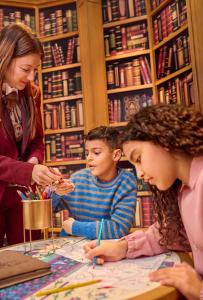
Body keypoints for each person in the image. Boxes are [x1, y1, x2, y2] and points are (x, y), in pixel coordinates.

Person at [84, 105, 203, 300]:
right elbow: (169, 233)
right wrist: (123, 247)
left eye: (139, 158)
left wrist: (198, 289)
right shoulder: (184, 189)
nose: (139, 174)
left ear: (164, 139)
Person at [0, 23, 62, 247]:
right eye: (26, 69)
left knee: (32, 253)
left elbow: (37, 140)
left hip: (23, 197)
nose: (31, 76)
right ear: (5, 59)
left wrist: (34, 161)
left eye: (35, 69)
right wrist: (29, 171)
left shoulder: (32, 94)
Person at [52, 125, 137, 239]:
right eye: (87, 153)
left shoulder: (126, 182)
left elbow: (118, 228)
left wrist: (75, 227)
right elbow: (48, 210)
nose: (89, 158)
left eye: (96, 153)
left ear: (116, 155)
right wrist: (56, 192)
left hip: (103, 248)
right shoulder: (78, 179)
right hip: (70, 246)